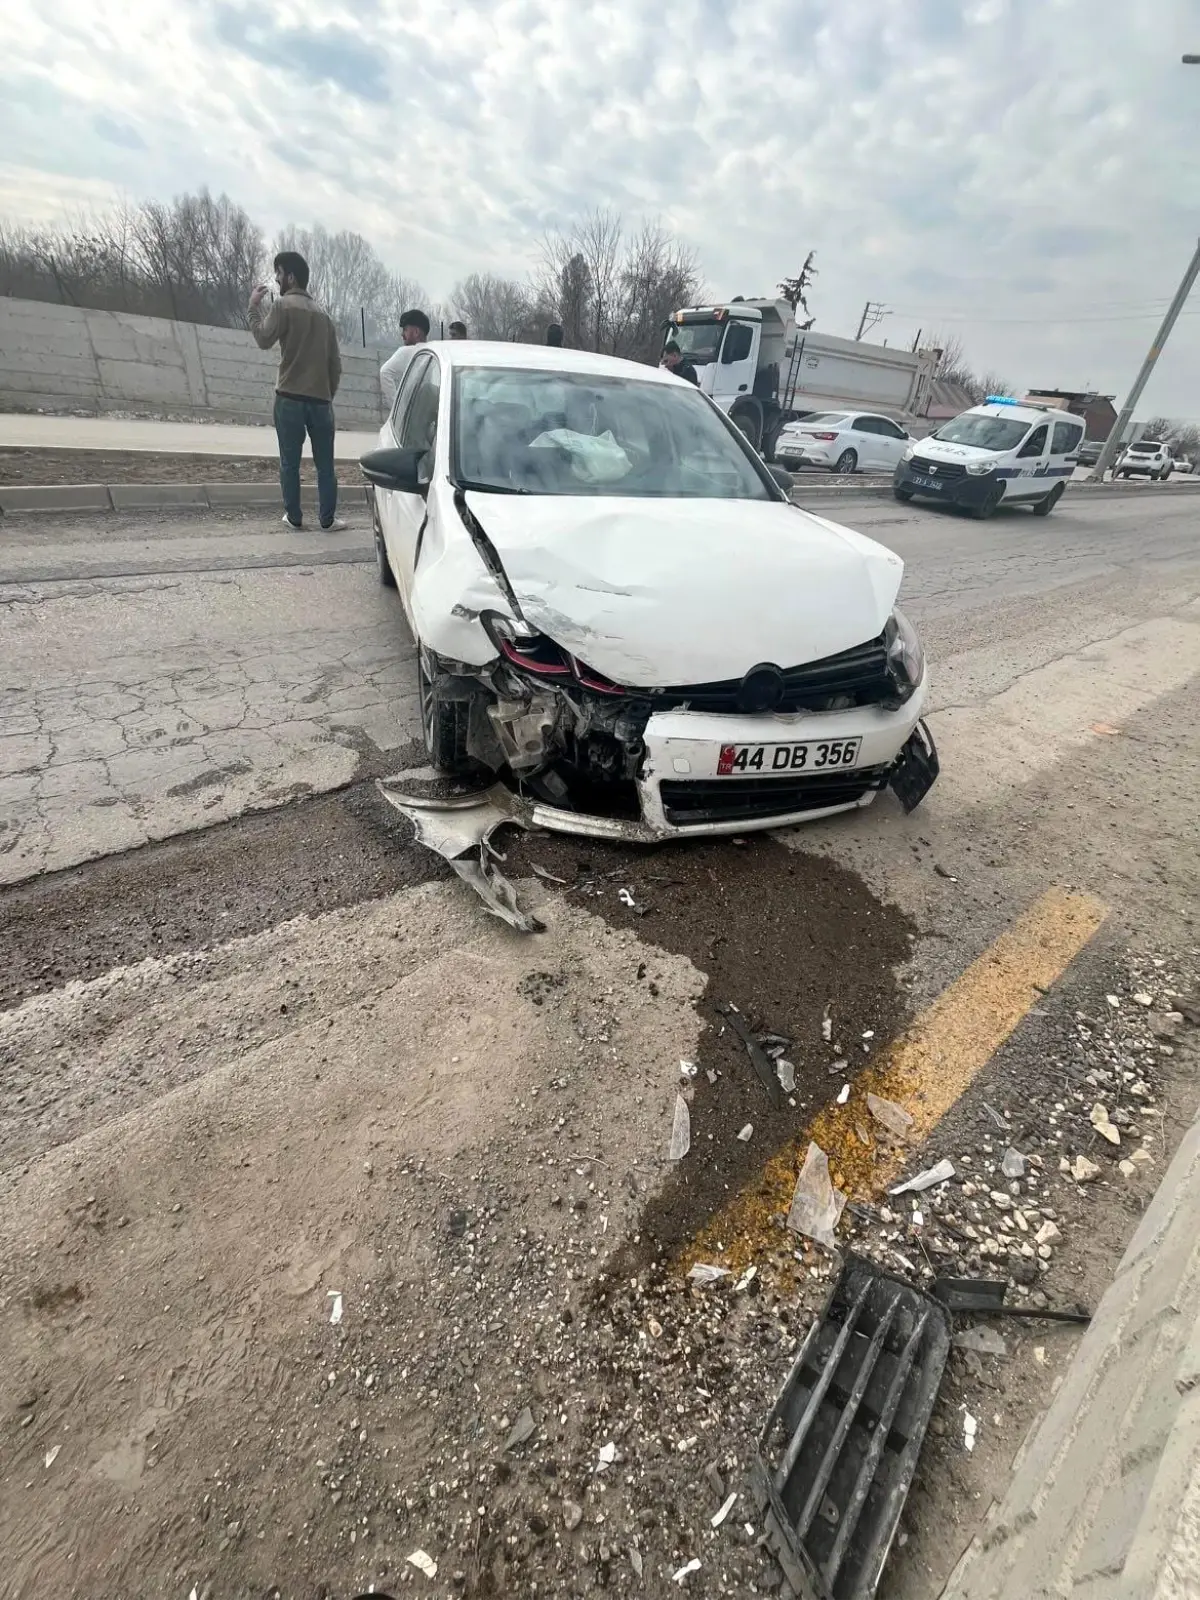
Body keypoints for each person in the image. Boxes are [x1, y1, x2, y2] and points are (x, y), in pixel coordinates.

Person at [249, 250, 344, 531]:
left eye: (278, 273)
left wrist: (253, 308)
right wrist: (327, 393)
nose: (277, 279)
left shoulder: (282, 306)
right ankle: (327, 520)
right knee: (325, 465)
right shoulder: (324, 317)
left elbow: (264, 339)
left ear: (290, 276)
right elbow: (335, 365)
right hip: (321, 401)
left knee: (289, 462)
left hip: (289, 397)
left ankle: (294, 517)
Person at [380, 309, 431, 404]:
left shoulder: (407, 351)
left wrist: (396, 408)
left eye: (405, 330)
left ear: (416, 332)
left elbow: (384, 372)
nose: (402, 335)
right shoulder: (434, 352)